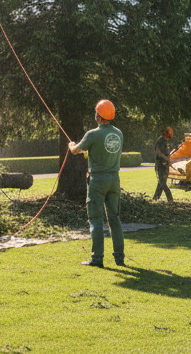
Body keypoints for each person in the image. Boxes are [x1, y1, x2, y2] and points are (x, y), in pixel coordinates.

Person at [68, 99, 125, 268]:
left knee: (95, 219)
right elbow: (102, 151)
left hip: (97, 181)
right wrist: (89, 152)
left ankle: (97, 258)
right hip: (114, 180)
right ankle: (119, 258)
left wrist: (71, 145)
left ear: (98, 116)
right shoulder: (119, 133)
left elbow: (76, 150)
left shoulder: (92, 134)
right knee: (114, 219)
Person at [153, 127, 175, 203]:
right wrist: (166, 159)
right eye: (169, 132)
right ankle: (170, 198)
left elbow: (167, 153)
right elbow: (158, 152)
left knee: (161, 182)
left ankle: (155, 198)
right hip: (160, 164)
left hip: (165, 165)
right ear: (166, 133)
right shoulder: (160, 140)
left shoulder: (166, 142)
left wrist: (169, 161)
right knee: (162, 182)